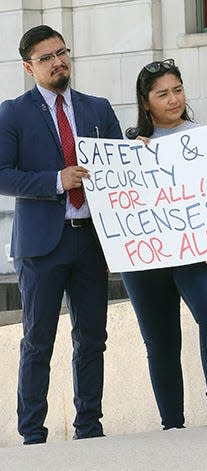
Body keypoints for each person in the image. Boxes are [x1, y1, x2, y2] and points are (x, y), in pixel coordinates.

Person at [0, 25, 122, 444]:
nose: (58, 62)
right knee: (38, 340)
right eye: (46, 58)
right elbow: (2, 175)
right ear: (28, 67)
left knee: (92, 338)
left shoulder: (98, 108)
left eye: (62, 53)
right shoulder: (13, 112)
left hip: (90, 240)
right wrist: (57, 180)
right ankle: (32, 432)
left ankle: (89, 426)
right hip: (41, 245)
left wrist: (136, 155)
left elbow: (120, 169)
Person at [122, 59, 207, 429]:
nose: (173, 100)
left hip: (199, 251)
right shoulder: (129, 146)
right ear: (146, 102)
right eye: (163, 94)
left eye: (178, 90)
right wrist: (131, 159)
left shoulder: (205, 136)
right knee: (160, 338)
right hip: (146, 259)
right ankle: (171, 422)